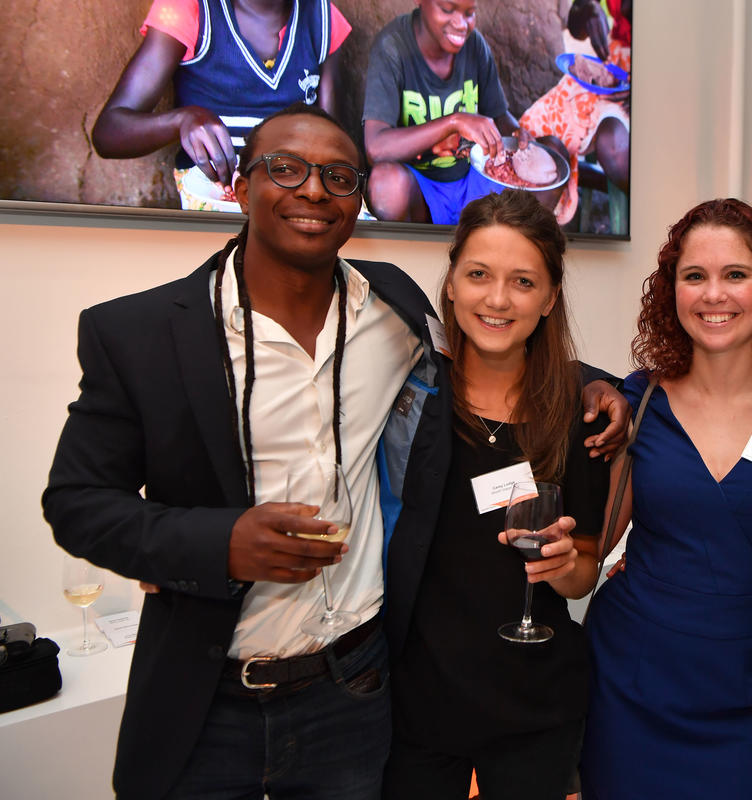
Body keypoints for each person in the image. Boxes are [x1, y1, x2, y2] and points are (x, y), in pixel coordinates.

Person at [43, 104, 627, 799]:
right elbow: (76, 504)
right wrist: (217, 541)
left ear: (357, 200)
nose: (314, 191)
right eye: (285, 169)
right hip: (209, 697)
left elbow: (507, 350)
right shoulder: (138, 335)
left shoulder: (394, 312)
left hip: (352, 695)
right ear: (239, 186)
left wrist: (600, 387)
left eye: (339, 177)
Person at [580, 198, 752, 799]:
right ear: (672, 290)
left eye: (736, 275)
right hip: (633, 677)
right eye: (694, 276)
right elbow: (603, 538)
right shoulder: (639, 400)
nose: (713, 294)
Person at [383, 189, 608, 799]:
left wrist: (564, 568)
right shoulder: (405, 403)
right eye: (478, 275)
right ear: (451, 282)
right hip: (420, 695)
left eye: (523, 282)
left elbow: (584, 568)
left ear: (550, 297)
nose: (498, 299)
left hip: (535, 701)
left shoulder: (578, 415)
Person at [91, 0, 350, 209]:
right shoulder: (189, 8)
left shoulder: (323, 17)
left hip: (296, 192)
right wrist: (182, 120)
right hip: (215, 194)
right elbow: (109, 133)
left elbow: (332, 143)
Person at [361, 0, 566, 224]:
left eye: (470, 13)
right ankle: (418, 254)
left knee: (554, 152)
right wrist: (454, 122)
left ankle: (506, 249)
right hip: (422, 190)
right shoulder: (393, 47)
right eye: (447, 10)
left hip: (476, 181)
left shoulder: (474, 45)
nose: (461, 24)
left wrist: (517, 132)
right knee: (386, 185)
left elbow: (499, 116)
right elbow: (376, 148)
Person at [520, 0, 632, 229]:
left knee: (612, 146)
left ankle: (662, 216)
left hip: (661, 78)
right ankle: (546, 229)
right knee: (535, 131)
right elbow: (575, 26)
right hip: (612, 67)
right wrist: (587, 10)